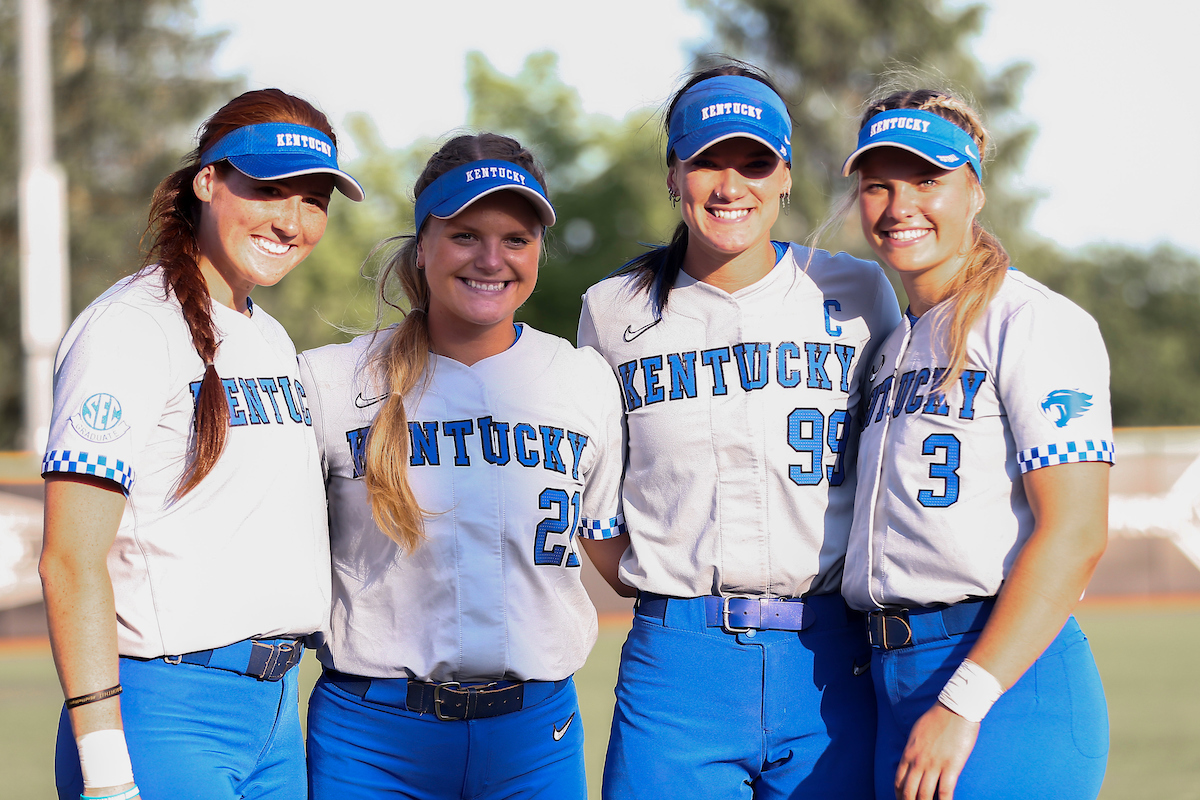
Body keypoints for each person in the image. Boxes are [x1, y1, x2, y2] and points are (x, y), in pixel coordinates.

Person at [578, 62, 901, 799]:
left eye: (754, 162)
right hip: (678, 662)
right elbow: (592, 489)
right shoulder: (613, 309)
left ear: (785, 176)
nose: (730, 186)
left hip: (830, 658)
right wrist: (662, 587)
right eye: (706, 161)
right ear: (673, 174)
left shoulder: (857, 291)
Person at [39, 88, 363, 800]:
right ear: (207, 181)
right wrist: (106, 769)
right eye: (268, 189)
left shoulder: (270, 336)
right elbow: (69, 559)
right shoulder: (129, 326)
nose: (291, 221)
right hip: (163, 710)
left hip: (274, 714)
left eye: (313, 201)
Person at [299, 132, 627, 800]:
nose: (491, 259)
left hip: (533, 738)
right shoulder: (331, 381)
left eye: (516, 239)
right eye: (465, 235)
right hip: (372, 739)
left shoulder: (583, 378)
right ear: (422, 245)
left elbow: (613, 550)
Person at [839, 87, 1111, 800]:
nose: (899, 206)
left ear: (975, 191)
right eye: (878, 185)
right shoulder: (890, 343)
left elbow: (1076, 533)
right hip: (891, 680)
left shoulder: (1032, 321)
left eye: (927, 180)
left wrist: (963, 702)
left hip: (1001, 684)